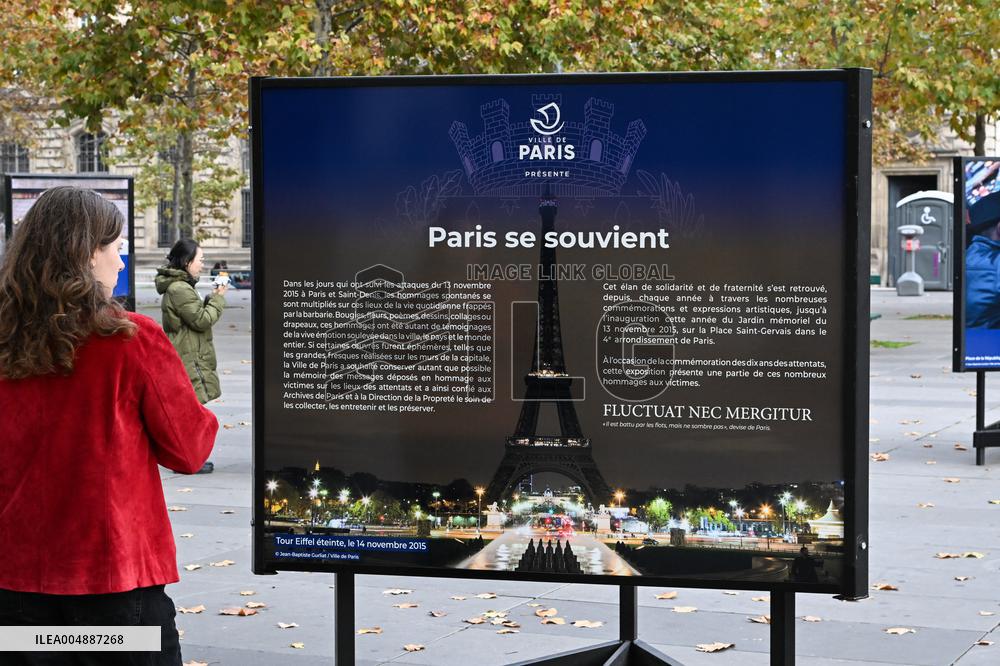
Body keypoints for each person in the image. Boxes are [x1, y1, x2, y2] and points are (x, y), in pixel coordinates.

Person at [0, 186, 218, 665]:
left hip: (14, 587)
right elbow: (189, 450)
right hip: (114, 588)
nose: (120, 263)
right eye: (115, 249)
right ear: (83, 253)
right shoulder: (131, 341)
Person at [155, 239, 227, 474]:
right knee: (191, 412)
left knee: (192, 410)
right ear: (187, 262)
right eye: (200, 260)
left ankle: (191, 458)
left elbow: (194, 316)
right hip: (189, 356)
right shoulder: (179, 289)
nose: (202, 265)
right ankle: (188, 459)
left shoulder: (181, 287)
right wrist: (217, 298)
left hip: (189, 352)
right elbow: (201, 320)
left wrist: (209, 298)